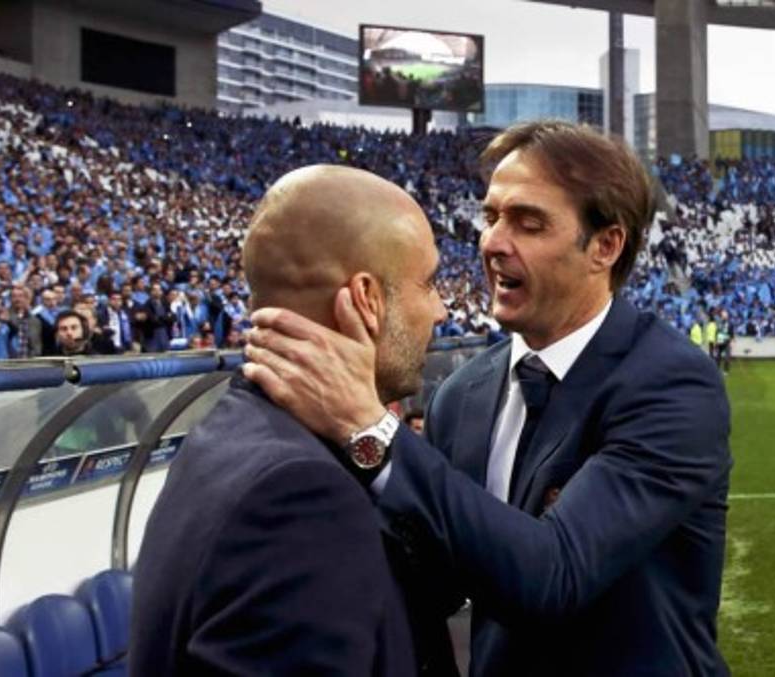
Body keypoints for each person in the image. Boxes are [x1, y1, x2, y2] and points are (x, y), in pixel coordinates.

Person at [245, 121, 732, 676]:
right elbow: (439, 580)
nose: (493, 243)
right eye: (491, 216)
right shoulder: (464, 394)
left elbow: (555, 576)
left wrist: (368, 428)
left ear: (605, 245)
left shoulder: (670, 385)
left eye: (528, 223)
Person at [130, 165, 446, 676]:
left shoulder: (230, 440)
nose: (441, 308)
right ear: (365, 300)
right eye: (429, 283)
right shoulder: (302, 497)